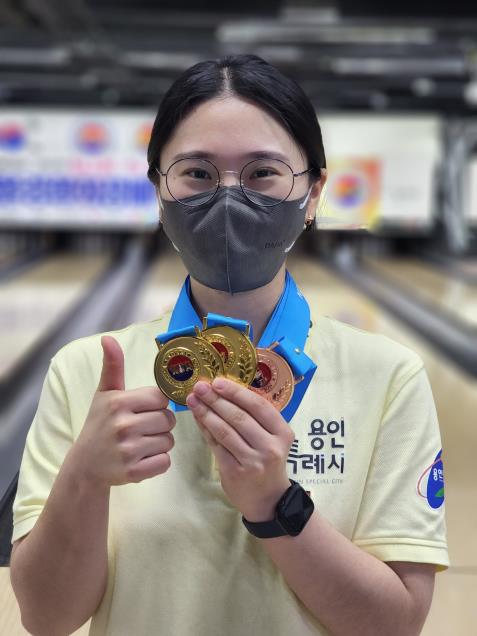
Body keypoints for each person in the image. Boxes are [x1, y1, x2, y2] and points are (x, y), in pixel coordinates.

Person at [10, 54, 449, 636]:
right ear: (158, 191)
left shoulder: (390, 376)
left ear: (313, 193)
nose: (228, 198)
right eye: (197, 173)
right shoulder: (86, 371)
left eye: (263, 173)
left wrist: (274, 504)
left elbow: (394, 626)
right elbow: (47, 619)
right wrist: (84, 479)